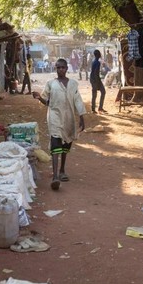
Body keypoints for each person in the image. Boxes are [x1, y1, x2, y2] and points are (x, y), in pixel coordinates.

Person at [32, 59, 86, 190]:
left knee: (66, 144)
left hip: (69, 118)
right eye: (58, 68)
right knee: (56, 143)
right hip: (55, 117)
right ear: (56, 69)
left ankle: (62, 171)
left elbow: (78, 101)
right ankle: (55, 176)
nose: (61, 70)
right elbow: (47, 102)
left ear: (67, 68)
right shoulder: (50, 84)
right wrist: (39, 98)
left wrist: (82, 117)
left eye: (63, 67)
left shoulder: (73, 84)